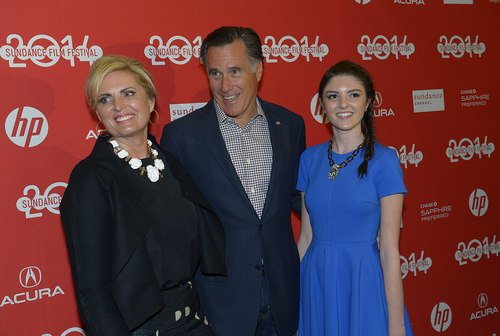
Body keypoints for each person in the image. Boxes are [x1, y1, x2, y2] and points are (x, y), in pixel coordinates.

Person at [60, 55, 226, 336]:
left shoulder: (170, 164)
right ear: (98, 114)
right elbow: (92, 291)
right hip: (140, 327)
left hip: (195, 319)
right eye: (105, 99)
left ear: (151, 101)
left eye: (128, 93)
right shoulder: (91, 179)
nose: (118, 106)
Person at [160, 27, 305, 336]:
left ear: (258, 69)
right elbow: (173, 223)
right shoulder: (181, 136)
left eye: (235, 71)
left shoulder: (290, 125)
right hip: (221, 300)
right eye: (215, 73)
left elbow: (299, 195)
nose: (225, 86)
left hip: (285, 292)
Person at [296, 60, 414, 336]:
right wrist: (295, 303)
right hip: (315, 281)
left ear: (368, 101)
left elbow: (389, 251)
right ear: (322, 104)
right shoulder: (309, 159)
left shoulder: (385, 161)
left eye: (354, 94)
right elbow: (305, 239)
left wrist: (396, 327)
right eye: (333, 96)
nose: (343, 104)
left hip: (362, 281)